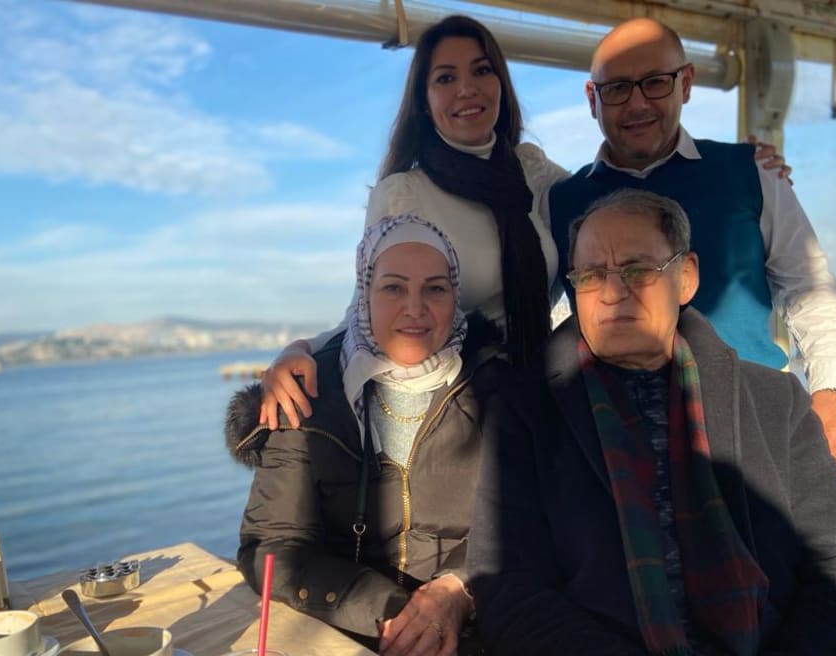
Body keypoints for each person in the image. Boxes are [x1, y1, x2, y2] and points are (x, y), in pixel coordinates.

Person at [255, 14, 789, 431]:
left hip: (543, 393)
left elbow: (622, 188)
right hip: (453, 411)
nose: (467, 88)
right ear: (425, 99)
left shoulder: (532, 173)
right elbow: (370, 308)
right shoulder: (404, 193)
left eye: (482, 70)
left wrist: (743, 162)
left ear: (501, 84)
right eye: (446, 77)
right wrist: (298, 350)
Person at [467, 189, 836, 656]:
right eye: (591, 275)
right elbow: (508, 585)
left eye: (637, 269)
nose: (612, 292)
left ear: (686, 277)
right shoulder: (526, 411)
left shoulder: (774, 402)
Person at [548, 17, 836, 462]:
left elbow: (809, 286)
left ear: (687, 83)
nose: (637, 103)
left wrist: (834, 389)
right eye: (618, 88)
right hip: (616, 445)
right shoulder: (560, 200)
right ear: (592, 99)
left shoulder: (750, 173)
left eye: (655, 82)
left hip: (754, 429)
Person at [227, 215, 507, 656]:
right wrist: (392, 612)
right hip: (345, 634)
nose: (414, 308)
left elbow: (527, 522)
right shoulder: (307, 398)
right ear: (365, 294)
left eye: (435, 288)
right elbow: (273, 546)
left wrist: (458, 589)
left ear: (455, 296)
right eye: (393, 287)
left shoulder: (499, 390)